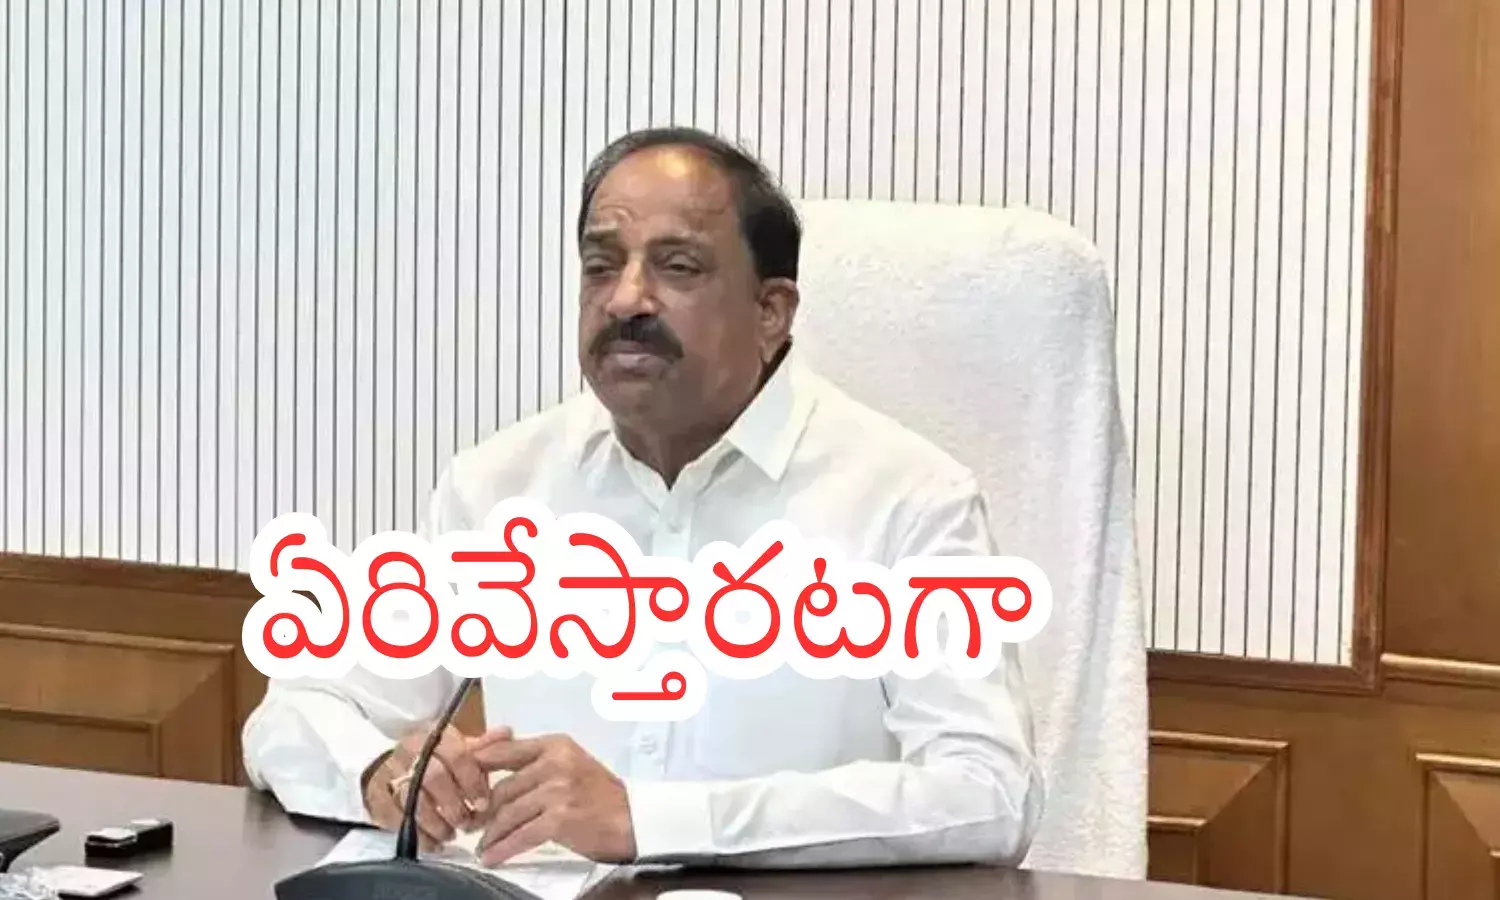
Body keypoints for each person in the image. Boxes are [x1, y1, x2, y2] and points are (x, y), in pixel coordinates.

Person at [241, 126, 1045, 870]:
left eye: (678, 267)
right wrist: (379, 772)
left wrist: (651, 819)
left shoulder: (908, 499)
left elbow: (988, 793)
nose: (625, 299)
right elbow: (296, 712)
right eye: (601, 265)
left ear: (771, 311)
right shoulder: (498, 489)